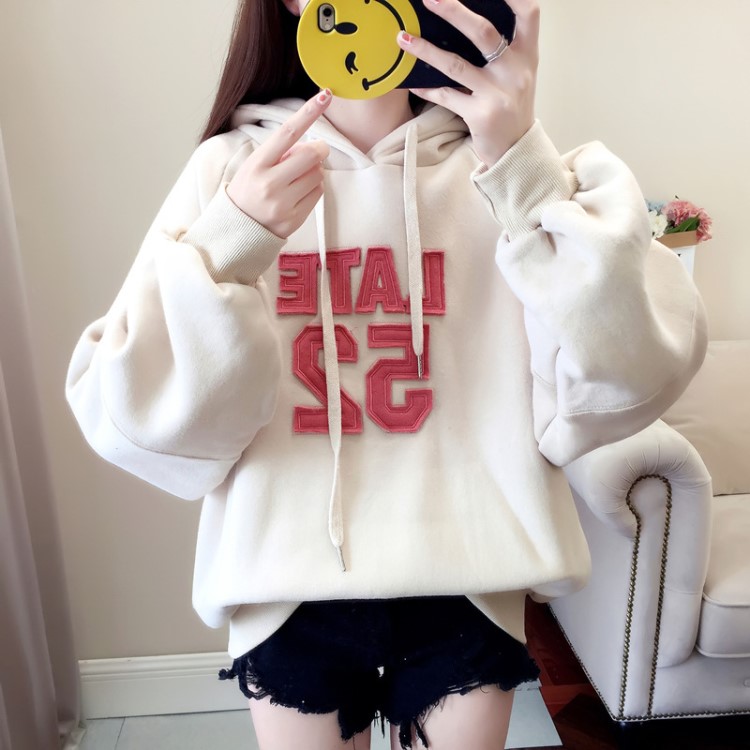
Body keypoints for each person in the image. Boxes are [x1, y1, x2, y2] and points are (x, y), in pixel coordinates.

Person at [65, 0, 708, 748]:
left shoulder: (503, 163)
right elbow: (133, 412)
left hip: (470, 573)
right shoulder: (231, 170)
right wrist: (232, 238)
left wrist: (525, 169)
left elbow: (631, 372)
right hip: (286, 585)